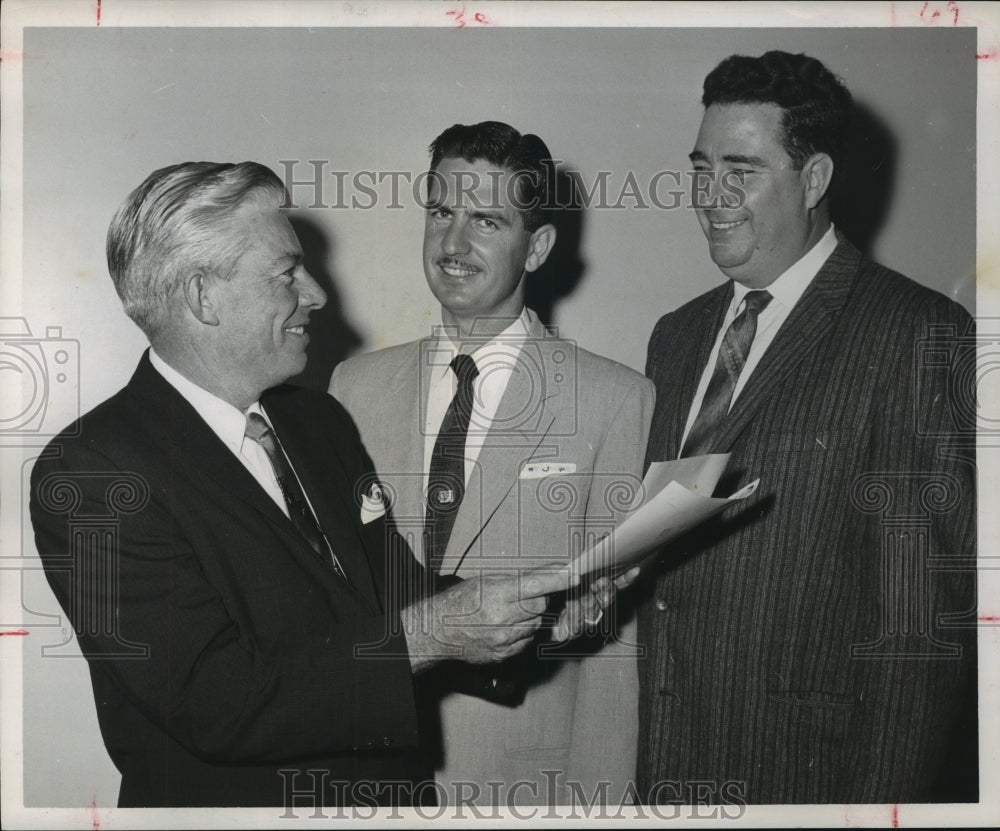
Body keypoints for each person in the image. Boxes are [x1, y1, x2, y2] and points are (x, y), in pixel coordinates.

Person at [28, 161, 582, 808]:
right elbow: (217, 700)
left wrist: (539, 603)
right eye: (287, 273)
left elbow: (393, 591)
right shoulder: (93, 473)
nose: (316, 293)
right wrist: (431, 633)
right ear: (204, 296)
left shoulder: (316, 420)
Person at [637, 50, 977, 804]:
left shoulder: (916, 333)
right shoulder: (677, 336)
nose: (709, 196)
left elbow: (920, 636)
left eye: (741, 170)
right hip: (666, 774)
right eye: (700, 168)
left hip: (808, 781)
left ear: (815, 178)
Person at [330, 121, 654, 805]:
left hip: (518, 783)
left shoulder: (614, 398)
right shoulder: (353, 387)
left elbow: (611, 647)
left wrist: (598, 805)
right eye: (441, 212)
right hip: (368, 771)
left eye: (486, 220)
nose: (453, 243)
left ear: (536, 247)